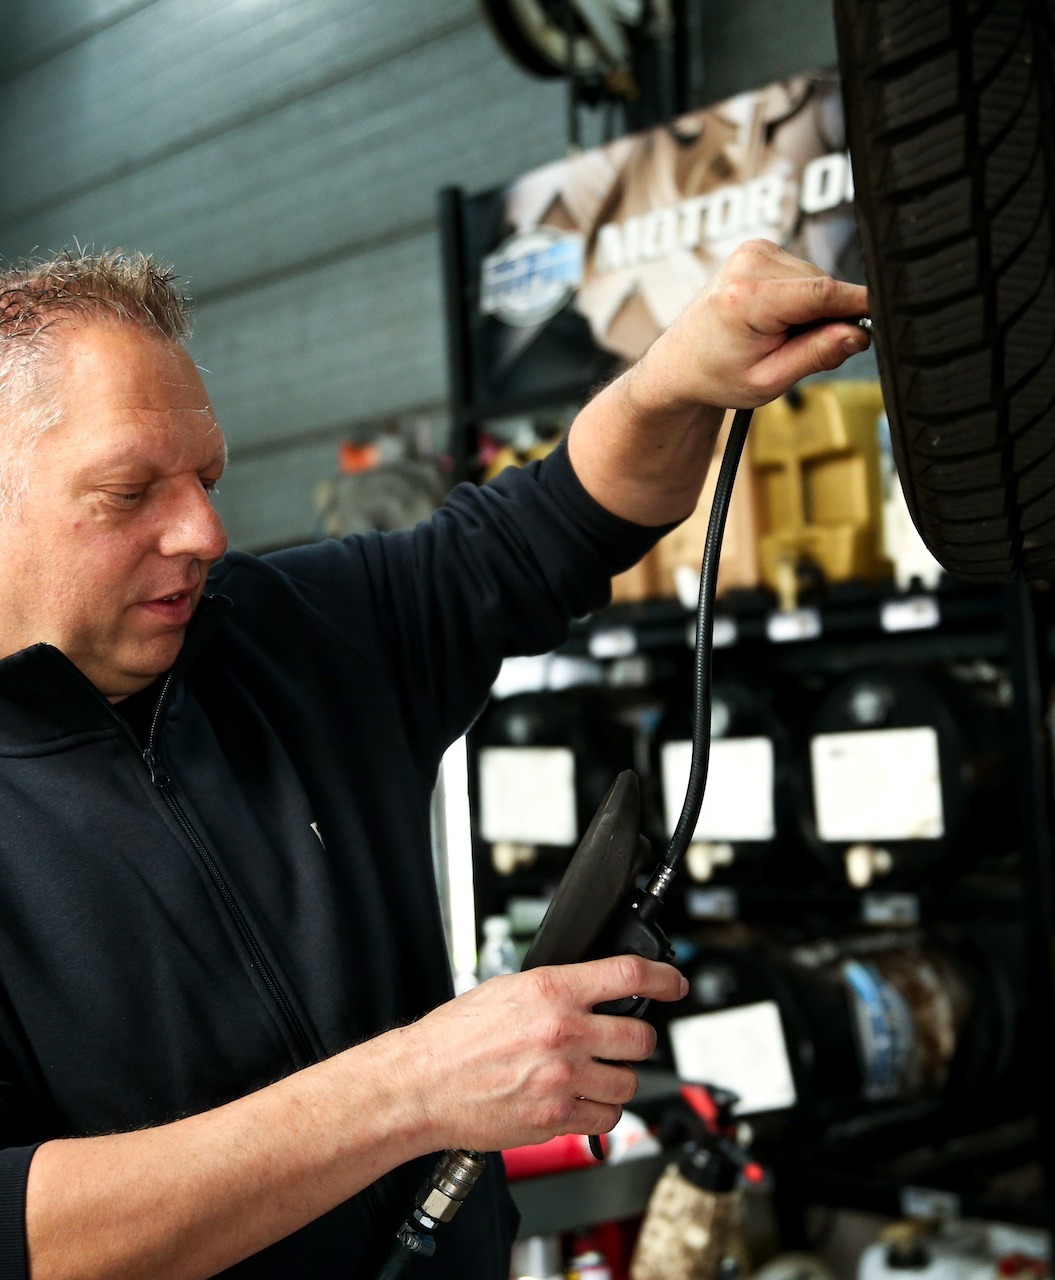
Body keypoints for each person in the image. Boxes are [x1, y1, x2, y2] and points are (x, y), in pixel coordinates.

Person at [0, 238, 870, 1280]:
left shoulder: (285, 635)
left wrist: (676, 375)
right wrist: (414, 1086)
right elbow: (25, 1233)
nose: (203, 529)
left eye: (206, 475)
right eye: (129, 490)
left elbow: (543, 530)